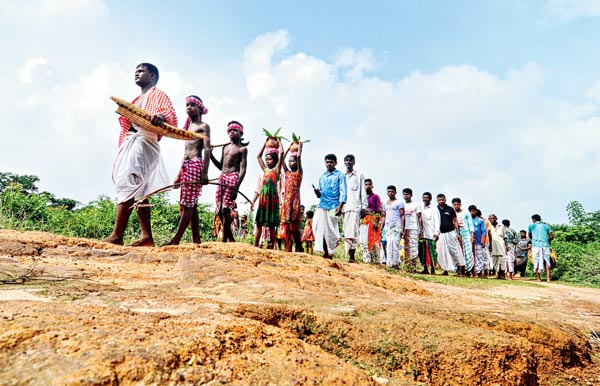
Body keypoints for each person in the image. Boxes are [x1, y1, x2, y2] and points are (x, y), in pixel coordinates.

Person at [104, 63, 177, 247]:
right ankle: (147, 238)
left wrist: (161, 116)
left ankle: (117, 235)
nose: (137, 73)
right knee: (141, 191)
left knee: (128, 181)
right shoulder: (136, 99)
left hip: (144, 141)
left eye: (141, 71)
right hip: (133, 141)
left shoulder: (158, 94)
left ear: (152, 76)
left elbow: (170, 113)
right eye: (135, 71)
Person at [163, 95, 210, 245]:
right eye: (187, 105)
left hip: (196, 164)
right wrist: (178, 175)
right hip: (187, 165)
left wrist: (205, 172)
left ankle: (175, 240)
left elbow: (207, 149)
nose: (188, 107)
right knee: (192, 205)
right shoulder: (188, 127)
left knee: (188, 204)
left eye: (192, 105)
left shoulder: (204, 126)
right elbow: (185, 153)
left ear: (200, 108)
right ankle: (197, 240)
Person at [211, 121, 248, 242]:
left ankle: (225, 239)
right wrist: (211, 155)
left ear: (240, 132)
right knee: (220, 209)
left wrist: (236, 187)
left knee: (226, 209)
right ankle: (230, 237)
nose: (232, 132)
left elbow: (243, 169)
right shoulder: (224, 147)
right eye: (230, 130)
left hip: (233, 178)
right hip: (222, 177)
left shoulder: (242, 149)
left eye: (235, 130)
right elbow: (221, 166)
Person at [312, 154, 347, 259]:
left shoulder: (340, 175)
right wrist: (317, 192)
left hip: (333, 206)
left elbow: (343, 192)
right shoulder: (322, 177)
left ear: (335, 163)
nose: (329, 164)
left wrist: (340, 206)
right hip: (322, 205)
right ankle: (325, 250)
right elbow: (320, 194)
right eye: (327, 162)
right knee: (318, 227)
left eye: (331, 162)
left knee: (331, 230)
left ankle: (330, 253)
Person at [252, 138, 284, 249]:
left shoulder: (277, 170)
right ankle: (255, 245)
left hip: (272, 199)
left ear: (275, 160)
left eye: (269, 159)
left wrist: (279, 142)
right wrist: (265, 143)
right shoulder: (265, 170)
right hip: (263, 199)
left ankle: (271, 246)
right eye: (266, 159)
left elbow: (282, 153)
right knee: (259, 223)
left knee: (271, 225)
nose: (267, 161)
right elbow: (258, 156)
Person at [342, 155, 367, 263]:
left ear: (354, 162)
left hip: (355, 207)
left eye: (350, 160)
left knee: (353, 232)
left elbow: (363, 192)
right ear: (344, 162)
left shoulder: (359, 176)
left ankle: (352, 256)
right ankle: (347, 254)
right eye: (346, 160)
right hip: (343, 207)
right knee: (346, 231)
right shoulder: (342, 176)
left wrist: (364, 207)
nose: (348, 162)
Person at [279, 143, 304, 252]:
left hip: (294, 201)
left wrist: (300, 148)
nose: (290, 163)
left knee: (293, 227)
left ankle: (299, 246)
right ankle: (288, 248)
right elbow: (282, 159)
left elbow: (298, 157)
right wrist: (288, 147)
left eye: (292, 161)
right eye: (290, 161)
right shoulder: (287, 173)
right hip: (286, 201)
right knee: (286, 227)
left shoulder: (299, 172)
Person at [436, 194, 465, 276]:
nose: (441, 201)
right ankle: (445, 270)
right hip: (440, 234)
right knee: (442, 252)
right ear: (437, 200)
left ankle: (459, 270)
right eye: (439, 200)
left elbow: (455, 221)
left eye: (442, 200)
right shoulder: (436, 209)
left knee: (454, 251)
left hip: (450, 232)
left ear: (445, 200)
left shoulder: (450, 209)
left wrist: (458, 233)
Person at [359, 179, 383, 263]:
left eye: (369, 184)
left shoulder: (375, 197)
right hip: (363, 221)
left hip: (372, 221)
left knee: (374, 241)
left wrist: (376, 223)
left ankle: (376, 260)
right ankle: (366, 260)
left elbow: (378, 211)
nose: (367, 186)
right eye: (365, 184)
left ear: (372, 186)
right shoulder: (360, 197)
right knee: (363, 241)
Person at [382, 185, 404, 268]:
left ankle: (396, 263)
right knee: (389, 244)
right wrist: (381, 227)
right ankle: (389, 263)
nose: (390, 193)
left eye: (392, 191)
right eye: (389, 191)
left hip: (396, 226)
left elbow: (402, 215)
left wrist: (402, 228)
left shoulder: (399, 202)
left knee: (395, 244)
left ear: (395, 192)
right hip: (388, 227)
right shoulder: (386, 203)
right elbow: (384, 216)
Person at [452, 198, 475, 276]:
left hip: (466, 235)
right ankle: (459, 271)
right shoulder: (452, 213)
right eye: (455, 204)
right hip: (456, 236)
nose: (456, 206)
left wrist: (472, 236)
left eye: (458, 204)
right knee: (458, 254)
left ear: (460, 204)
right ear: (452, 205)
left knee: (468, 254)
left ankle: (468, 270)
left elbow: (471, 225)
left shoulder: (466, 213)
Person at [418, 192, 440, 275]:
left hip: (431, 234)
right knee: (423, 252)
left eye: (427, 198)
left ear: (430, 198)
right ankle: (425, 269)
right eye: (424, 197)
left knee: (432, 252)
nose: (425, 199)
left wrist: (436, 232)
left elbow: (437, 221)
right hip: (422, 234)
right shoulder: (420, 208)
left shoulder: (434, 209)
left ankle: (433, 269)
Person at [528, 214, 553, 282]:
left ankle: (538, 278)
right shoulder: (546, 226)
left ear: (534, 219)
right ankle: (548, 278)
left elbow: (530, 236)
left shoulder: (531, 226)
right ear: (540, 219)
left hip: (535, 246)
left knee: (536, 261)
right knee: (547, 261)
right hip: (545, 245)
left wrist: (535, 239)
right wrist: (547, 241)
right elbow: (551, 237)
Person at [402, 188, 422, 272]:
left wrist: (421, 229)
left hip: (413, 228)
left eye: (407, 194)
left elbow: (419, 217)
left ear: (411, 195)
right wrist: (402, 229)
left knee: (414, 247)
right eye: (404, 194)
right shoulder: (402, 204)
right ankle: (407, 266)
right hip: (405, 228)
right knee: (406, 247)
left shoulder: (416, 204)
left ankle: (414, 267)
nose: (406, 196)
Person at [469, 206, 488, 277]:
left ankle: (479, 272)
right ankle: (470, 271)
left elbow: (484, 231)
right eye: (470, 211)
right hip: (470, 242)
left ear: (476, 212)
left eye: (473, 211)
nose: (472, 213)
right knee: (470, 257)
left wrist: (482, 241)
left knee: (479, 257)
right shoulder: (468, 220)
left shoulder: (480, 220)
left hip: (478, 242)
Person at [489, 214, 508, 279]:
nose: (492, 220)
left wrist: (506, 246)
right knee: (494, 260)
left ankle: (503, 274)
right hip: (493, 245)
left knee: (502, 259)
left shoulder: (501, 226)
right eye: (491, 218)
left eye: (493, 218)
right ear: (489, 219)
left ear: (496, 219)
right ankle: (498, 274)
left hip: (501, 245)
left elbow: (505, 237)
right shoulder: (489, 227)